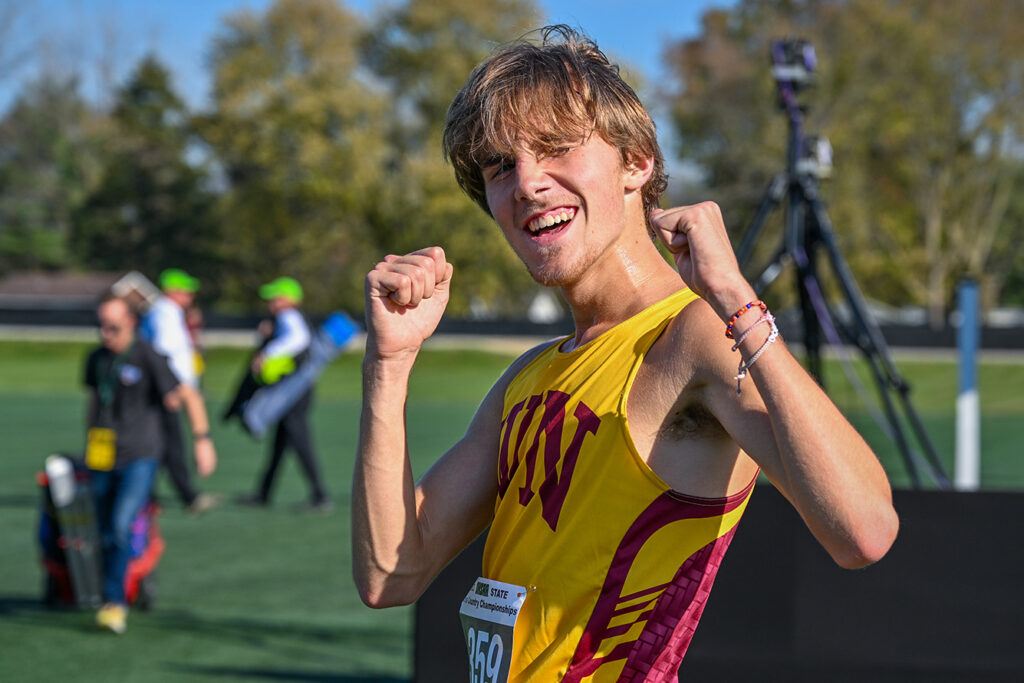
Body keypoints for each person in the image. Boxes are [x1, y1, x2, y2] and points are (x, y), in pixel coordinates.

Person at [352, 25, 899, 681]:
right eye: (501, 166)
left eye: (555, 147)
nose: (527, 183)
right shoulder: (528, 376)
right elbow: (392, 573)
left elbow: (864, 531)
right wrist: (388, 367)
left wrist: (735, 298)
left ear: (636, 162)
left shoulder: (695, 334)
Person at [85, 294, 217, 633]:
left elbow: (188, 394)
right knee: (102, 531)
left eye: (112, 326)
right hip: (102, 454)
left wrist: (202, 441)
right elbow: (93, 401)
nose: (105, 334)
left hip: (141, 455)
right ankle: (129, 577)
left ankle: (114, 603)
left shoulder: (148, 356)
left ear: (130, 322)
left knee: (119, 524)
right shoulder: (96, 358)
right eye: (100, 325)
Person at [238, 277, 332, 512]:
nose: (271, 302)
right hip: (295, 391)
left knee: (300, 441)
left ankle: (320, 496)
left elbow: (296, 339)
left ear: (290, 299)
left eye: (276, 297)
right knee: (281, 443)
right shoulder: (286, 317)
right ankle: (264, 492)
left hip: (293, 393)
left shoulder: (288, 316)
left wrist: (266, 352)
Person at [140, 268, 220, 515]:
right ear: (172, 291)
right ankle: (187, 496)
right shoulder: (165, 314)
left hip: (171, 387)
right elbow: (165, 353)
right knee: (170, 443)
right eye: (186, 290)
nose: (191, 295)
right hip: (169, 389)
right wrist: (173, 389)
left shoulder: (168, 313)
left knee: (164, 444)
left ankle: (151, 496)